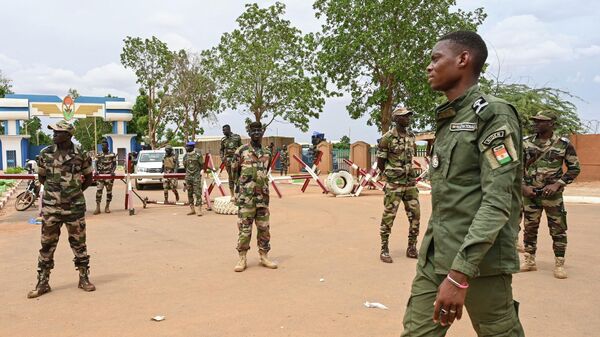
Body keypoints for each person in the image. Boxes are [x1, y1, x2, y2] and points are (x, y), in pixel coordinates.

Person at [400, 31, 524, 336]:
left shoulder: (493, 115)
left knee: (499, 332)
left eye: (435, 58)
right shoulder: (450, 117)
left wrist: (459, 275)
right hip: (436, 254)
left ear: (463, 59)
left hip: (478, 263)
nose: (429, 67)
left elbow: (498, 203)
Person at [27, 120, 96, 298]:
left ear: (68, 135)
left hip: (74, 208)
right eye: (54, 132)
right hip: (51, 208)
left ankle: (84, 278)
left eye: (58, 132)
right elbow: (42, 178)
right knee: (47, 245)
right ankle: (43, 282)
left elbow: (88, 177)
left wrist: (74, 194)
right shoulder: (45, 153)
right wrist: (56, 195)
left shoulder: (81, 153)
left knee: (79, 244)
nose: (54, 134)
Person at [520, 110, 580, 279]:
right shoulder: (525, 143)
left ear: (551, 124)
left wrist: (558, 184)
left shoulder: (563, 144)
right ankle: (529, 260)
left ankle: (559, 263)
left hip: (552, 196)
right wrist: (523, 186)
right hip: (530, 195)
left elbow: (574, 168)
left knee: (558, 230)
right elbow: (516, 168)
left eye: (541, 121)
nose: (536, 123)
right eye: (535, 120)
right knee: (529, 228)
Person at [231, 122, 277, 272]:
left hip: (262, 198)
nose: (256, 133)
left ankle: (264, 256)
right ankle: (242, 258)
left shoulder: (267, 152)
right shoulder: (241, 151)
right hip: (246, 199)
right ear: (249, 133)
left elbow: (266, 172)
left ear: (262, 132)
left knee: (264, 229)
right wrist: (235, 194)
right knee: (245, 230)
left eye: (259, 130)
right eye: (253, 130)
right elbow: (234, 174)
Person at [376, 107, 421, 262]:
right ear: (396, 119)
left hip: (410, 183)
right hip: (394, 184)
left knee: (415, 216)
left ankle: (412, 247)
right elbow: (380, 162)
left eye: (409, 116)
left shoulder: (411, 136)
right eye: (404, 116)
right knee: (389, 216)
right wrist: (390, 175)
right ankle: (384, 248)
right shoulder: (387, 138)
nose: (408, 118)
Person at [94, 138, 117, 214]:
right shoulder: (99, 155)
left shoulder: (112, 154)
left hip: (109, 176)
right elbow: (96, 164)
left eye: (105, 145)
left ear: (108, 146)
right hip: (100, 176)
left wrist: (113, 172)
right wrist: (96, 171)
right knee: (99, 191)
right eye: (102, 146)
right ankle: (98, 207)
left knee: (109, 192)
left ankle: (107, 207)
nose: (103, 147)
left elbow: (114, 165)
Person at [220, 124, 242, 199]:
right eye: (223, 130)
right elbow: (221, 150)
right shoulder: (223, 140)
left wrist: (241, 159)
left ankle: (238, 194)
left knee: (238, 177)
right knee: (230, 177)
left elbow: (241, 148)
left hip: (236, 160)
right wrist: (222, 158)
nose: (223, 131)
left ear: (229, 129)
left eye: (224, 130)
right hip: (228, 161)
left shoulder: (237, 137)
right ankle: (232, 195)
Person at [183, 141, 204, 216]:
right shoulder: (185, 156)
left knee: (198, 193)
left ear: (192, 147)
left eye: (188, 147)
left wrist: (197, 173)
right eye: (186, 146)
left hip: (196, 177)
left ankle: (199, 210)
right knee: (189, 193)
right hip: (188, 177)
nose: (186, 148)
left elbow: (202, 165)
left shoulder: (198, 155)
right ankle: (192, 209)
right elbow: (185, 166)